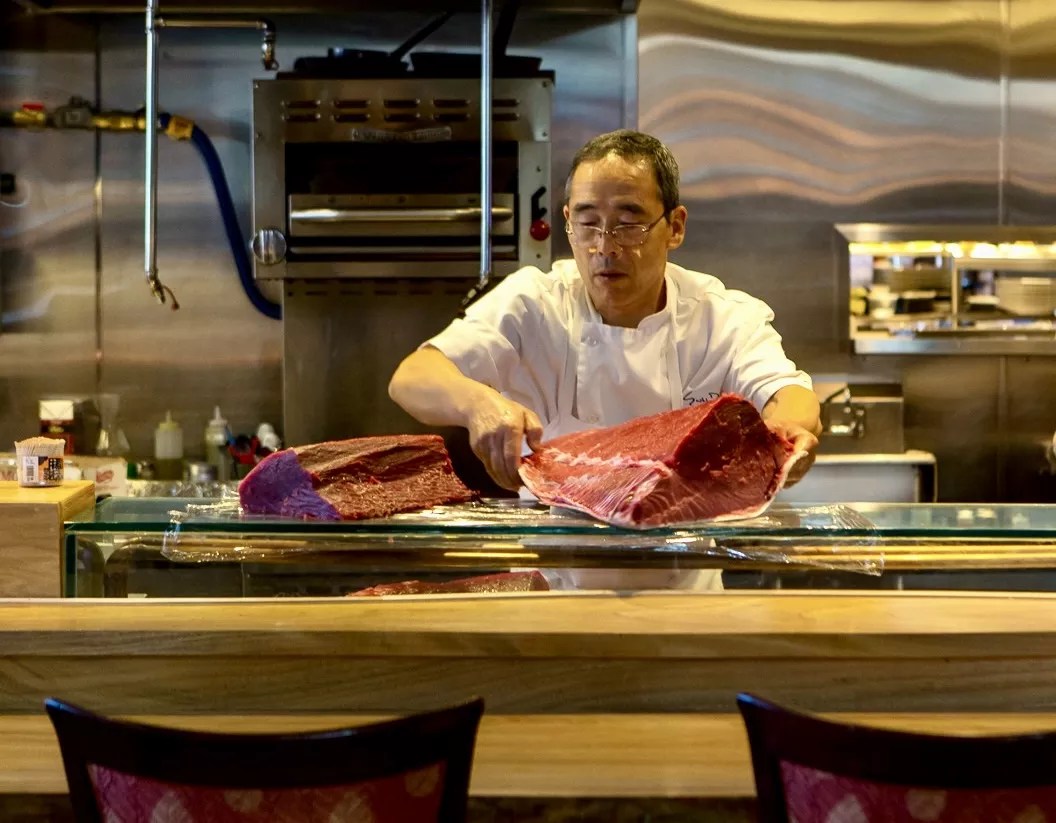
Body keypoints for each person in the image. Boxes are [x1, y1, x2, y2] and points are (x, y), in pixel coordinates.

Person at [389, 129, 821, 495]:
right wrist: (477, 404)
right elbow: (412, 377)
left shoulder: (721, 316)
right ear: (567, 222)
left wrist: (784, 431)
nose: (605, 246)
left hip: (684, 554)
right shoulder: (533, 301)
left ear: (675, 227)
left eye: (628, 224)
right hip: (554, 555)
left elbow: (788, 393)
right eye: (588, 223)